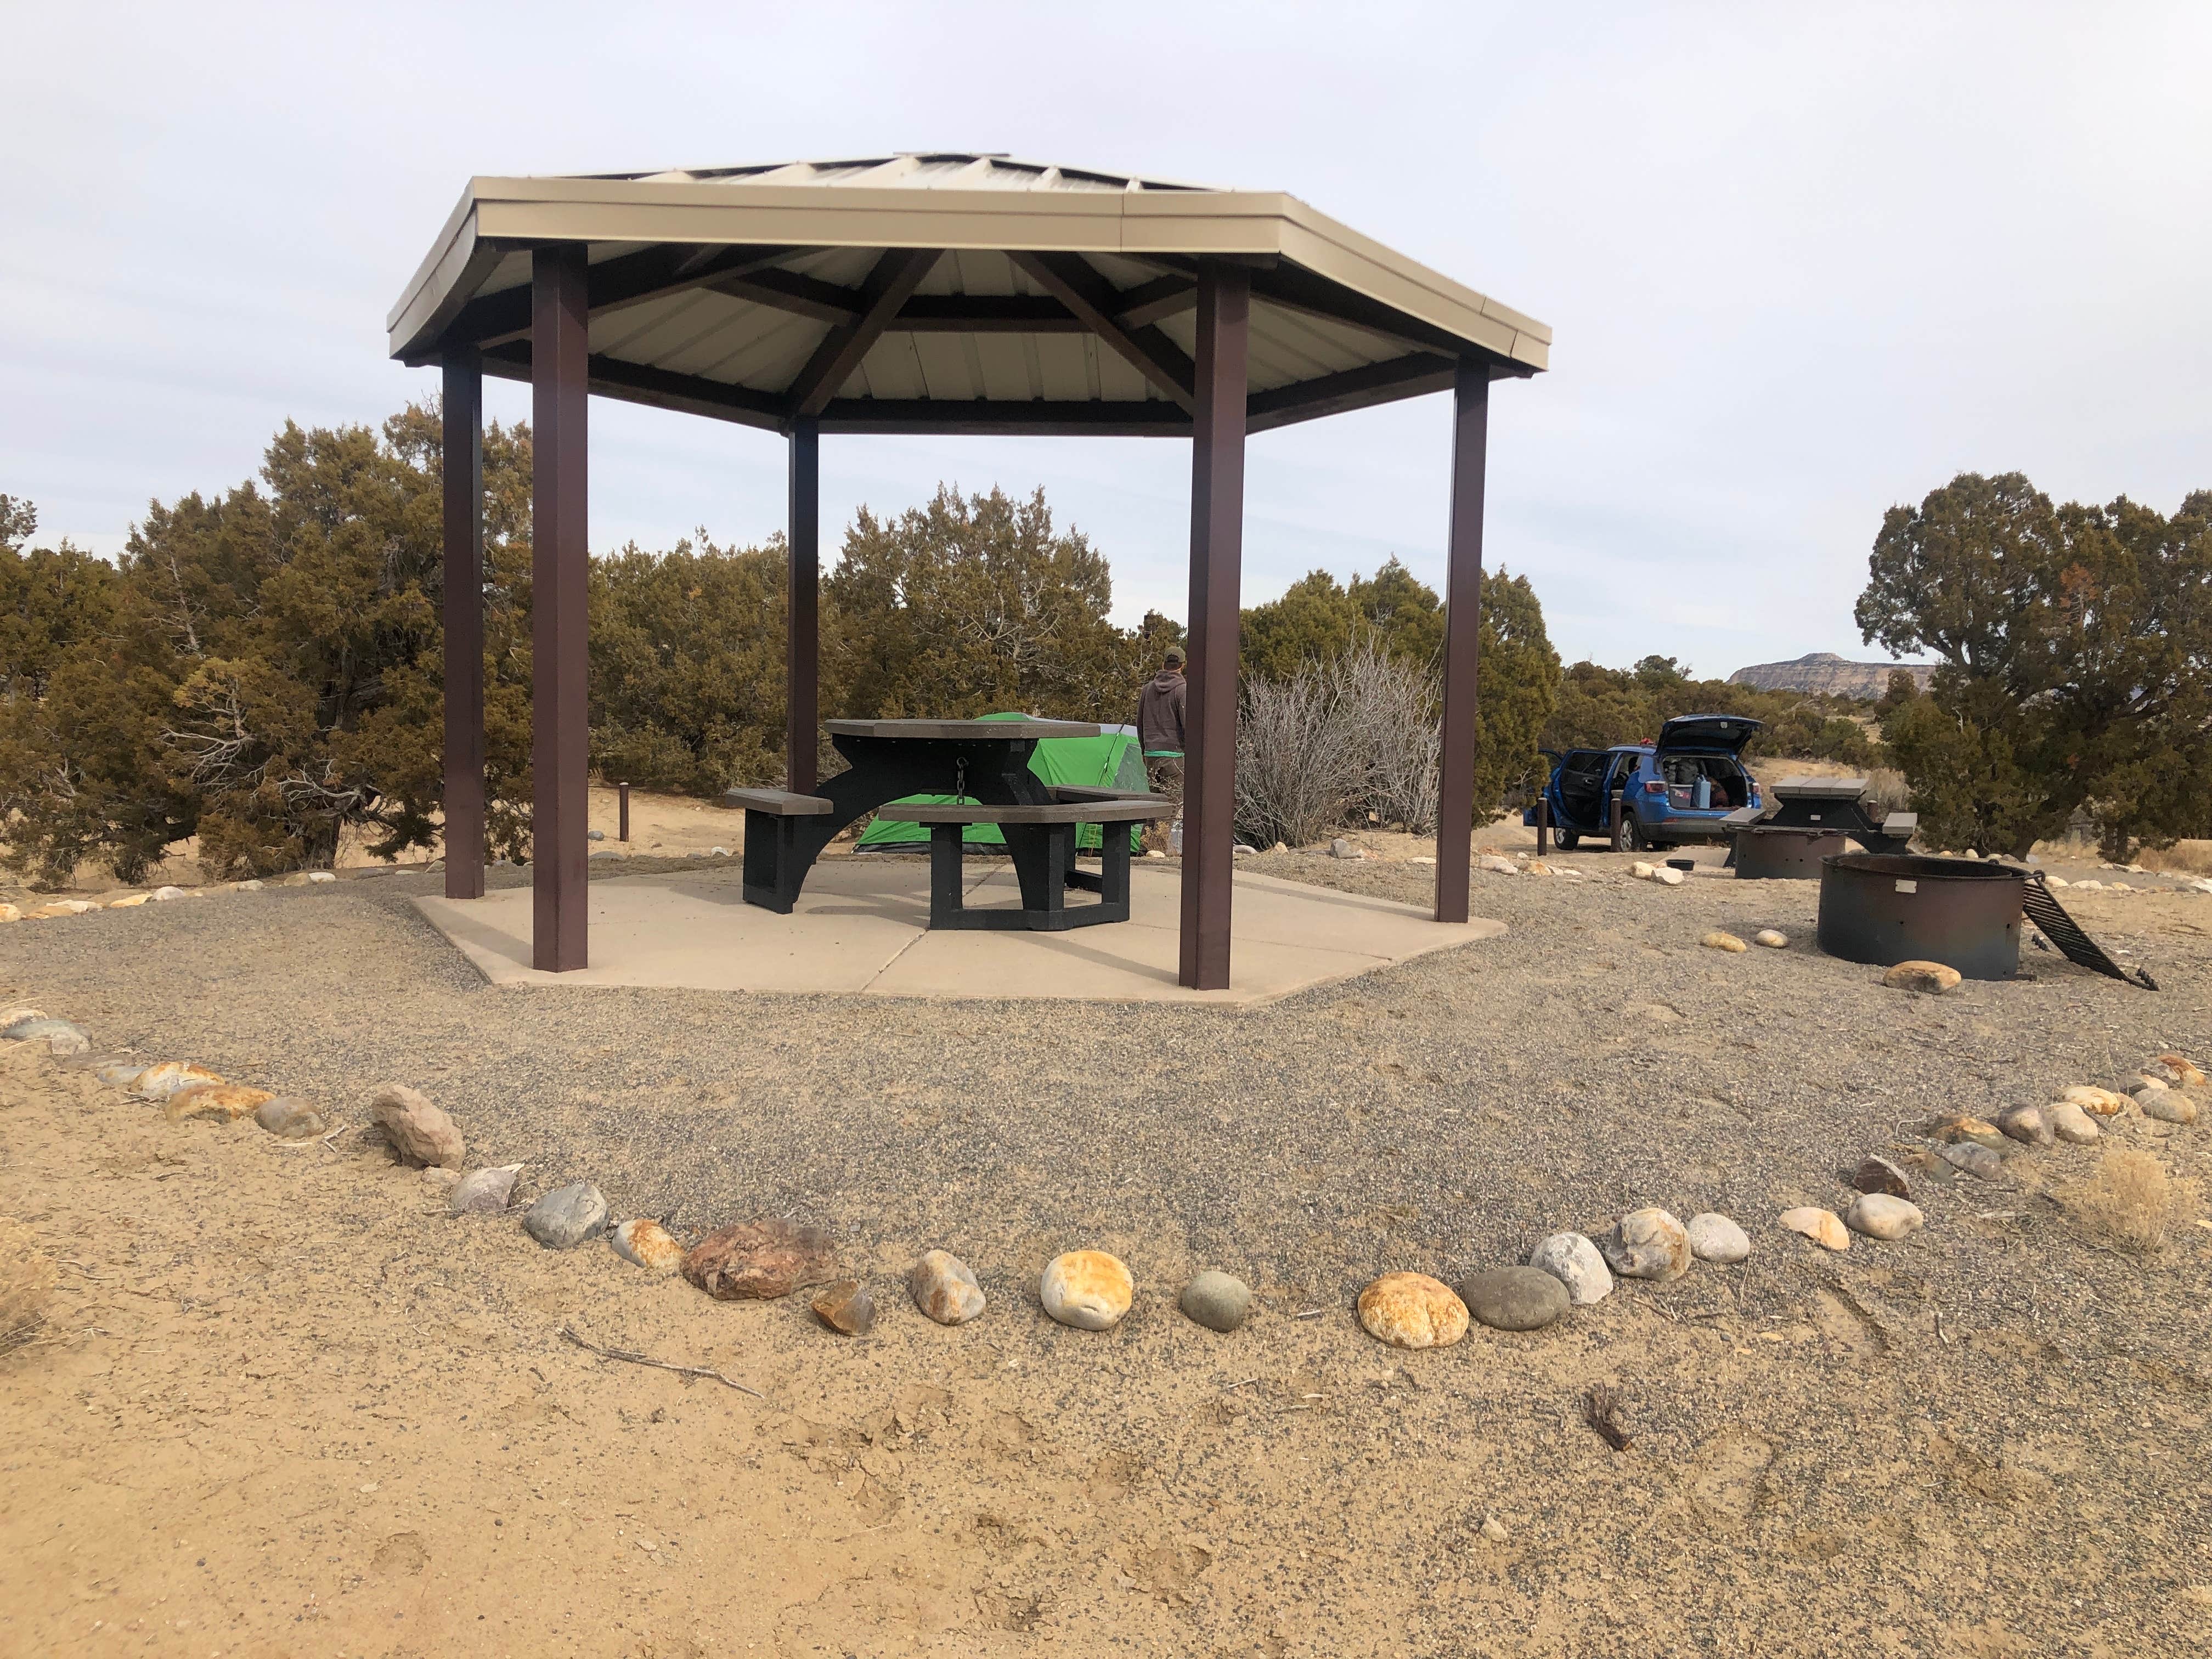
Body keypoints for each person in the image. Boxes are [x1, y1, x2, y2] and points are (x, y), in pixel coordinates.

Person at [1136, 648, 1187, 845]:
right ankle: (1156, 849)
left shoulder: (1148, 689)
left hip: (1151, 754)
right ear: (1183, 665)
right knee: (1170, 807)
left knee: (1154, 805)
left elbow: (1140, 724)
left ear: (1163, 664)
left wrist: (1144, 750)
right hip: (1175, 756)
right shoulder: (1182, 690)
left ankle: (1145, 847)